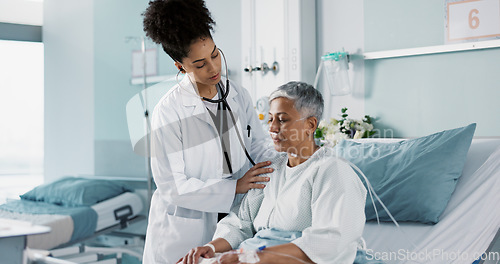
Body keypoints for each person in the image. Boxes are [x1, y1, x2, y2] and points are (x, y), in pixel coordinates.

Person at [141, 0, 276, 263]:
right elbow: (172, 187)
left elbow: (259, 147)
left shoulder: (237, 94)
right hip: (184, 233)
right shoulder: (169, 112)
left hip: (232, 223)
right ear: (181, 66)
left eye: (215, 55)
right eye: (200, 64)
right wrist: (234, 187)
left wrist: (289, 164)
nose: (214, 68)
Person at [179, 82, 368, 264]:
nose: (272, 127)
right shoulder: (271, 168)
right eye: (270, 118)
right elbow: (240, 223)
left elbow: (330, 241)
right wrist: (211, 248)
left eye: (283, 119)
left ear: (310, 125)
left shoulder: (332, 171)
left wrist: (256, 257)